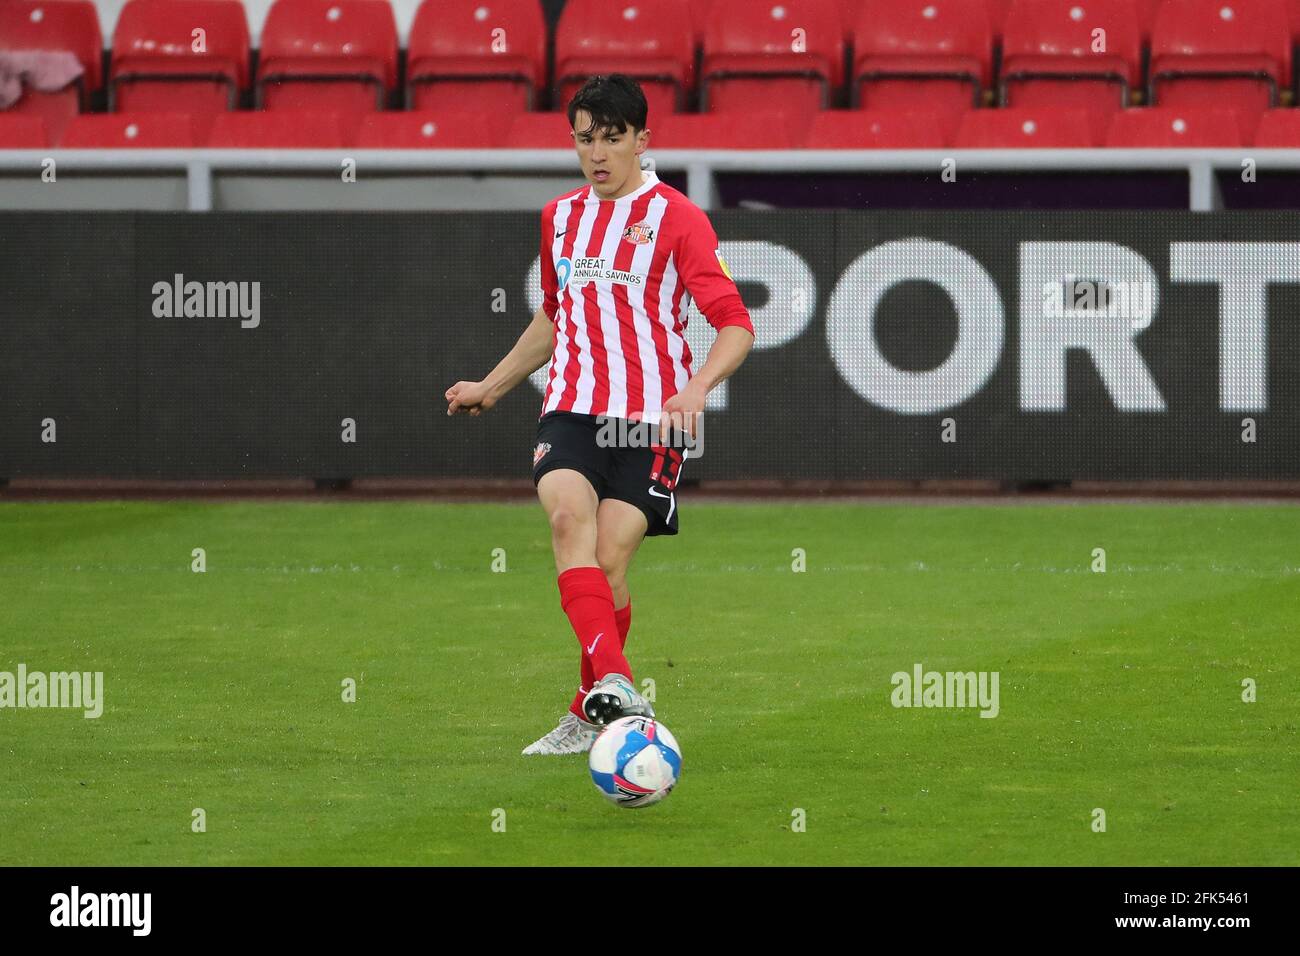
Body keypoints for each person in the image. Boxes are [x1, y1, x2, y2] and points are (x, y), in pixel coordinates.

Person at [445, 74, 755, 755]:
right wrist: (492, 385)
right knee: (566, 522)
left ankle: (586, 714)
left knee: (610, 563)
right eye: (585, 139)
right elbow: (555, 316)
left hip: (652, 420)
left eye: (613, 139)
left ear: (644, 140)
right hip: (573, 410)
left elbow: (735, 324)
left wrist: (698, 386)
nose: (598, 154)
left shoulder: (678, 218)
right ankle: (617, 686)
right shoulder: (560, 217)